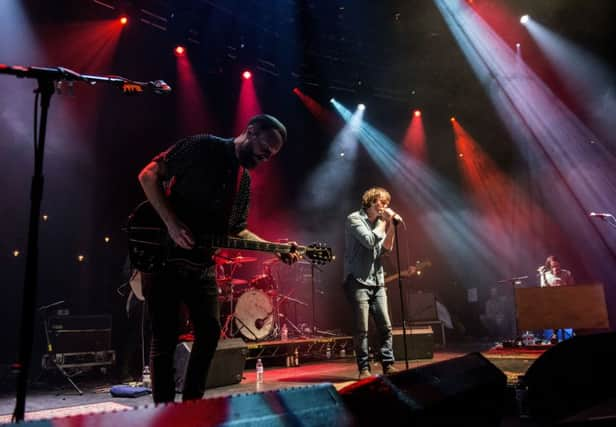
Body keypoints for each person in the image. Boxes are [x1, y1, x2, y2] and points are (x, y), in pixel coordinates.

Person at [137, 114, 297, 403]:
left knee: (209, 333)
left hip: (201, 266)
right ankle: (163, 411)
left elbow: (238, 230)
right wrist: (172, 224)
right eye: (266, 148)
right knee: (165, 338)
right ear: (250, 131)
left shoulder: (243, 181)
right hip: (163, 258)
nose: (267, 156)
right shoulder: (202, 146)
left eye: (273, 154)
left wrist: (275, 248)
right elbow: (148, 176)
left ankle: (192, 407)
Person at [344, 187, 399, 379]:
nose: (384, 206)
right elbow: (369, 240)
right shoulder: (354, 219)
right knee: (363, 328)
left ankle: (388, 364)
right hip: (358, 280)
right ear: (370, 201)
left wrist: (391, 227)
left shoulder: (380, 224)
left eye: (386, 204)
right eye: (381, 202)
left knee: (385, 326)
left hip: (377, 280)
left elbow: (385, 250)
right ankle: (364, 368)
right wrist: (384, 223)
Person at [537, 255, 575, 342]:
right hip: (552, 302)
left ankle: (573, 331)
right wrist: (542, 275)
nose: (556, 268)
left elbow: (573, 288)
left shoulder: (566, 273)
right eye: (553, 266)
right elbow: (543, 289)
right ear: (549, 267)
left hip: (565, 300)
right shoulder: (545, 275)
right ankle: (554, 333)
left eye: (558, 266)